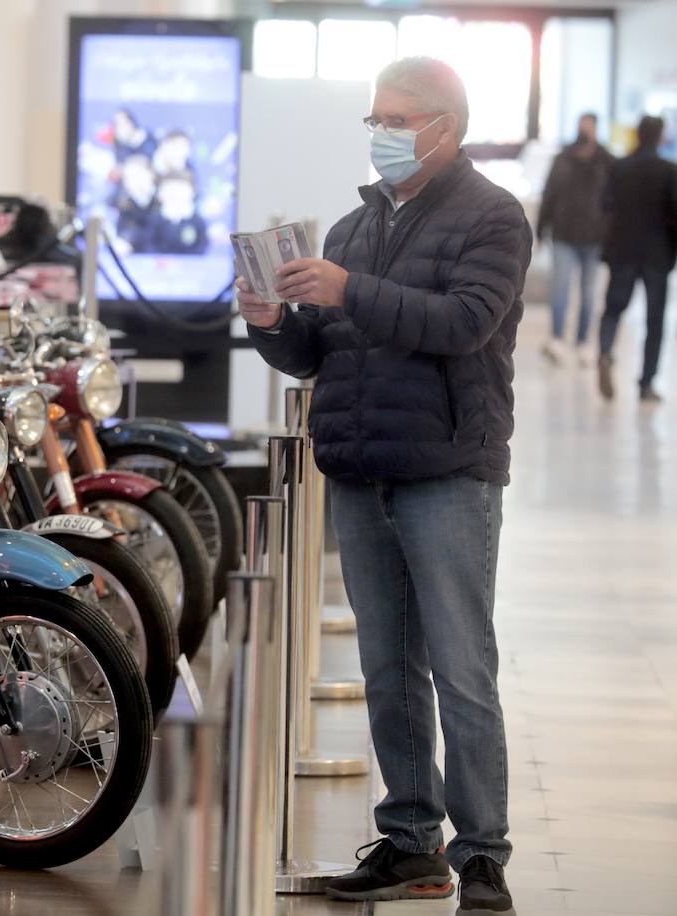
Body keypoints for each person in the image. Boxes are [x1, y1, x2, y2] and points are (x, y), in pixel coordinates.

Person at [236, 57, 530, 914]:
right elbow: (319, 351)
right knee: (387, 668)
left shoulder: (493, 217)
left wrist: (351, 291)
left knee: (462, 668)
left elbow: (465, 324)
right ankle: (411, 841)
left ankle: (482, 855)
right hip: (361, 469)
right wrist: (274, 325)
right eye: (375, 119)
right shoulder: (350, 229)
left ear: (445, 127)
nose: (382, 134)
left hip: (447, 471)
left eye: (397, 120)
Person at [596, 115, 677, 402]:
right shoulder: (669, 170)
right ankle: (646, 383)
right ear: (658, 137)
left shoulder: (619, 167)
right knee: (654, 321)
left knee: (613, 309)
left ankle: (605, 352)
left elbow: (605, 206)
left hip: (623, 251)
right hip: (657, 255)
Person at [537, 112, 614, 366]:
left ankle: (583, 342)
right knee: (560, 289)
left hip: (593, 238)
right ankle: (557, 339)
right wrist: (541, 229)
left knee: (589, 293)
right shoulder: (563, 158)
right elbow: (550, 193)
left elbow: (614, 201)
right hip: (564, 234)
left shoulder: (605, 160)